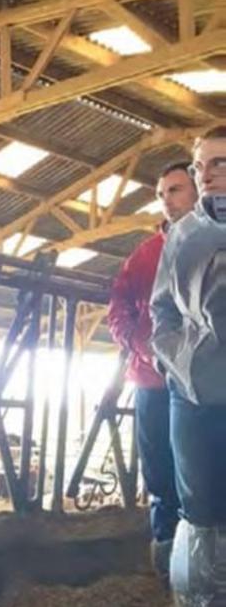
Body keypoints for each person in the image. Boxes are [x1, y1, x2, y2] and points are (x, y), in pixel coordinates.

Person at [151, 125, 226, 607]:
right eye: (201, 165)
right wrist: (179, 360)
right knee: (197, 505)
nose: (207, 174)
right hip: (196, 391)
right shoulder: (183, 235)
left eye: (219, 162)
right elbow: (161, 309)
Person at [107, 163, 198, 581]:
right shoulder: (144, 256)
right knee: (160, 472)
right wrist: (137, 345)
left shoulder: (214, 248)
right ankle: (165, 562)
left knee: (203, 472)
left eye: (176, 190)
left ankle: (203, 567)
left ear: (197, 190)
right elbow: (118, 309)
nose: (168, 199)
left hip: (207, 387)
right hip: (154, 382)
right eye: (162, 193)